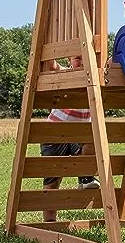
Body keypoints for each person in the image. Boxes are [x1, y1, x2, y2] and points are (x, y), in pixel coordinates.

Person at [41, 56, 99, 223]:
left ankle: (85, 178)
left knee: (92, 143)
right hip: (55, 133)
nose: (81, 62)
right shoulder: (65, 73)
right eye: (77, 58)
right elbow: (51, 65)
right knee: (53, 181)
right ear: (69, 60)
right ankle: (50, 223)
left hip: (79, 134)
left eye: (84, 57)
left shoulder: (94, 76)